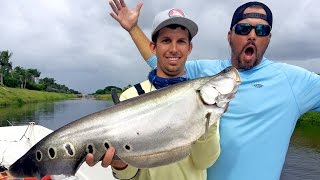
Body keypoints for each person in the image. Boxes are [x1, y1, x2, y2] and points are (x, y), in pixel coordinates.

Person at [105, 1, 320, 180]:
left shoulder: (294, 80)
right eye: (244, 29)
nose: (252, 35)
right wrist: (133, 29)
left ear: (269, 38)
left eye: (261, 30)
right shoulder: (204, 75)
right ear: (230, 35)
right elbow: (163, 61)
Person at [86, 3, 222, 180]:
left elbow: (204, 162)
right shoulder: (131, 96)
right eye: (166, 40)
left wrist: (207, 122)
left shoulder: (204, 97)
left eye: (181, 41)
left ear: (189, 48)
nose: (174, 49)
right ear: (153, 47)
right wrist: (119, 163)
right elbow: (127, 175)